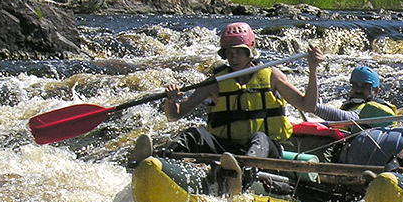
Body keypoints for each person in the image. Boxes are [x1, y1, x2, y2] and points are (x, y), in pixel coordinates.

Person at [134, 22, 321, 181]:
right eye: (229, 53)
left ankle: (241, 176)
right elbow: (175, 115)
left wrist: (313, 70)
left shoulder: (271, 76)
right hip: (228, 150)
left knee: (260, 138)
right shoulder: (216, 82)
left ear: (250, 52)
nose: (233, 57)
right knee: (194, 134)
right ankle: (159, 162)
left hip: (266, 152)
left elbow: (308, 106)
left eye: (239, 52)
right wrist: (172, 100)